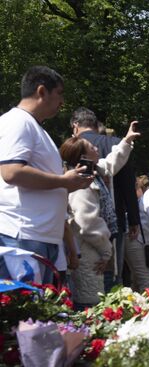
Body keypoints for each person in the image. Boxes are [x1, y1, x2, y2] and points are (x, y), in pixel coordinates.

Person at [0, 66, 92, 284]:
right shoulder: (18, 122)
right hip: (23, 236)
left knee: (40, 314)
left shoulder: (35, 127)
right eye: (59, 93)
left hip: (39, 236)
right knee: (25, 314)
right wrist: (63, 181)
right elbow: (11, 172)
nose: (62, 102)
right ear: (42, 91)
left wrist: (69, 182)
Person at [60, 122, 140, 307]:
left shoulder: (92, 172)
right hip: (91, 256)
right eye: (92, 147)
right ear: (83, 157)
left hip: (96, 252)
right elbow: (87, 225)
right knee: (93, 306)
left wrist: (127, 140)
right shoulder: (82, 184)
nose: (97, 147)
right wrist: (106, 253)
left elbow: (112, 162)